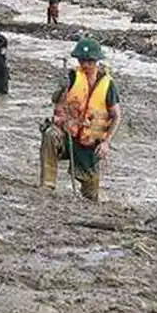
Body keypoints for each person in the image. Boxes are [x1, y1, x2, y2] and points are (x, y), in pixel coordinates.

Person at [40, 38, 120, 201]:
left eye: (89, 61)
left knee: (91, 196)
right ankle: (47, 185)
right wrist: (62, 88)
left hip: (89, 143)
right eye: (82, 61)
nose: (85, 65)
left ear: (97, 61)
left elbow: (116, 115)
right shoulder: (72, 76)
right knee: (50, 134)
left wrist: (106, 142)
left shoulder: (108, 85)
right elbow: (55, 99)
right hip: (67, 136)